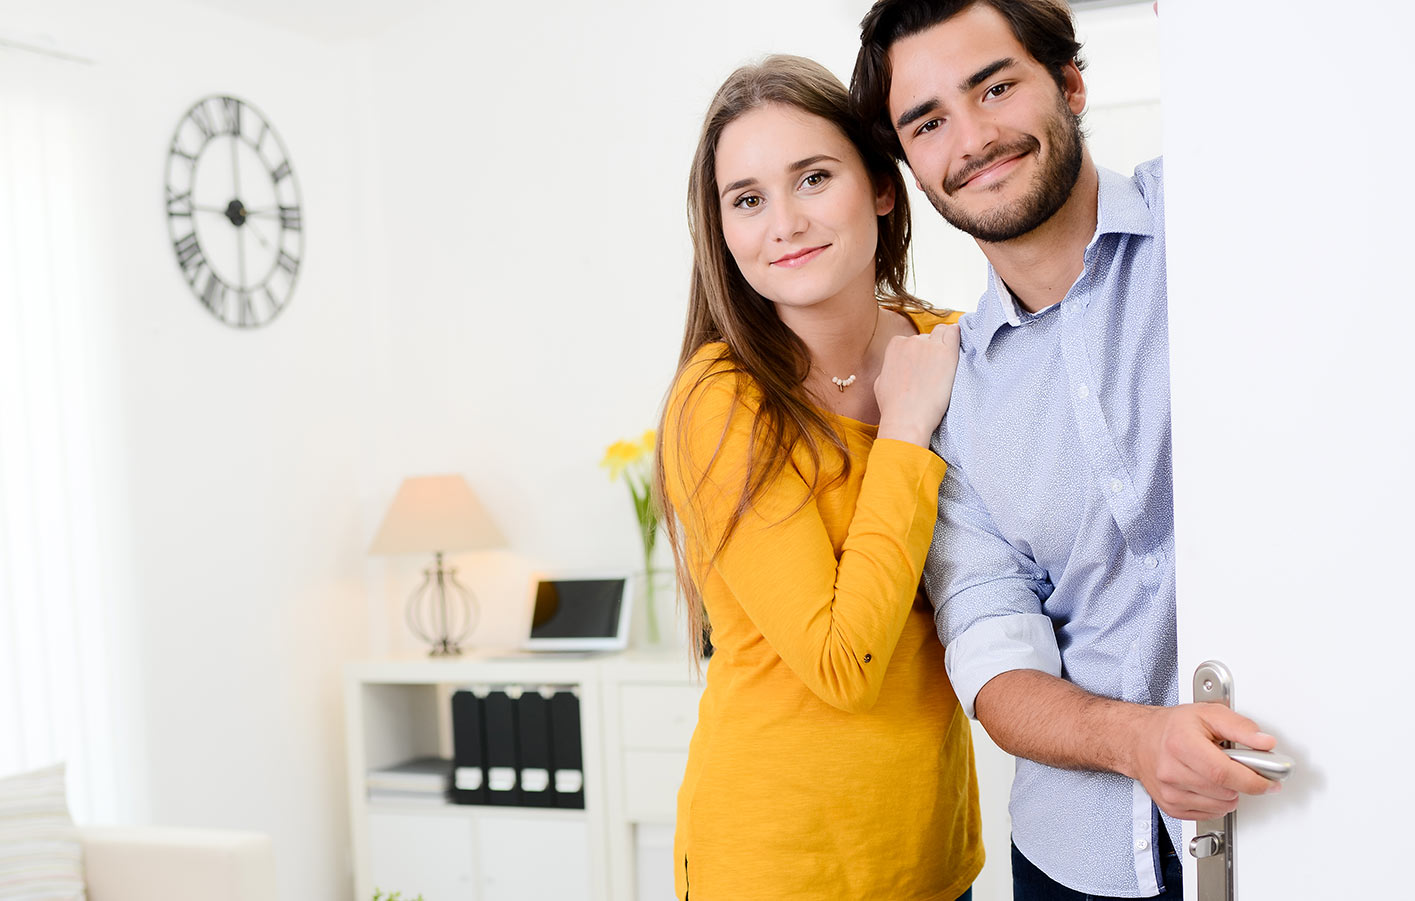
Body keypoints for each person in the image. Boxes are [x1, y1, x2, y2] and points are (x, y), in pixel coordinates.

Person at [849, 2, 1280, 899]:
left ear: (1071, 85)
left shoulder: (1221, 219)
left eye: (995, 86)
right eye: (927, 122)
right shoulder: (951, 394)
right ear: (908, 165)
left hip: (1303, 808)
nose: (971, 138)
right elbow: (995, 659)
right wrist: (1137, 739)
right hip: (1078, 861)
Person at [655, 54, 983, 901]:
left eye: (812, 177)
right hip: (771, 865)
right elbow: (843, 661)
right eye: (748, 199)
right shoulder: (720, 400)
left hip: (929, 859)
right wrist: (905, 430)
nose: (784, 223)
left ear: (880, 185)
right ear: (721, 228)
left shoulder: (951, 345)